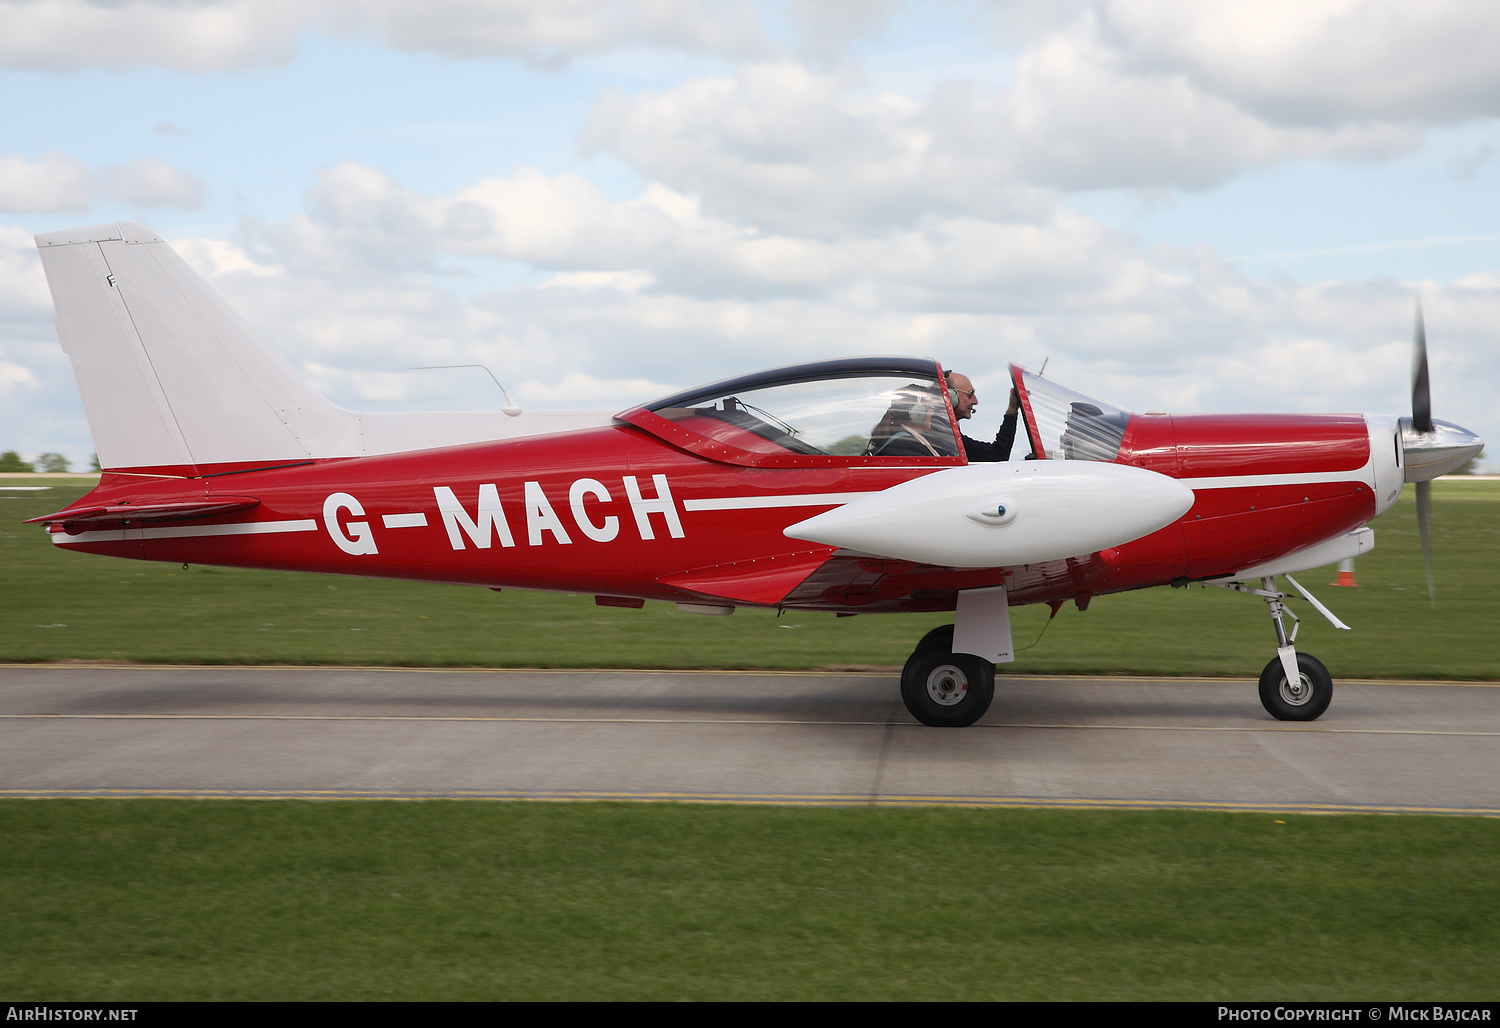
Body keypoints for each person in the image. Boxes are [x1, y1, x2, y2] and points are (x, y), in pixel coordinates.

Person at [945, 371, 1020, 462]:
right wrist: (1012, 412)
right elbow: (998, 455)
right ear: (950, 396)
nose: (975, 401)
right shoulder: (944, 435)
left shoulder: (941, 429)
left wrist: (1012, 409)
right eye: (970, 394)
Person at [865, 387, 951, 457]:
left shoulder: (906, 441)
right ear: (915, 412)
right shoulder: (905, 445)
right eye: (928, 408)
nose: (932, 413)